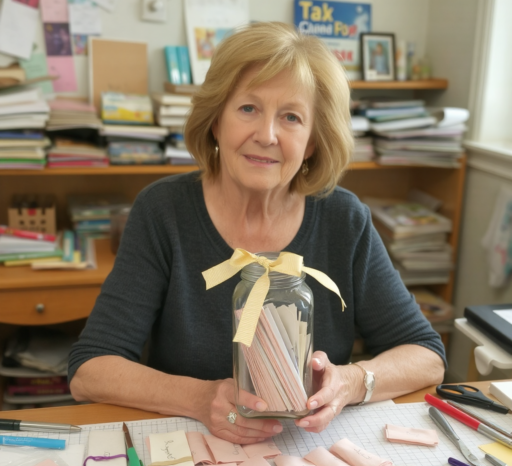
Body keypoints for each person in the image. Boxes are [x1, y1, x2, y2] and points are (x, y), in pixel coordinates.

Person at [69, 22, 445, 444]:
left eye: (291, 117)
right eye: (248, 108)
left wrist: (351, 383)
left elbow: (426, 355)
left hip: (307, 454)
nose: (266, 136)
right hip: (192, 451)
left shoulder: (344, 218)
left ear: (313, 141)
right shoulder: (163, 211)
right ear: (215, 121)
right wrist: (200, 398)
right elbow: (89, 369)